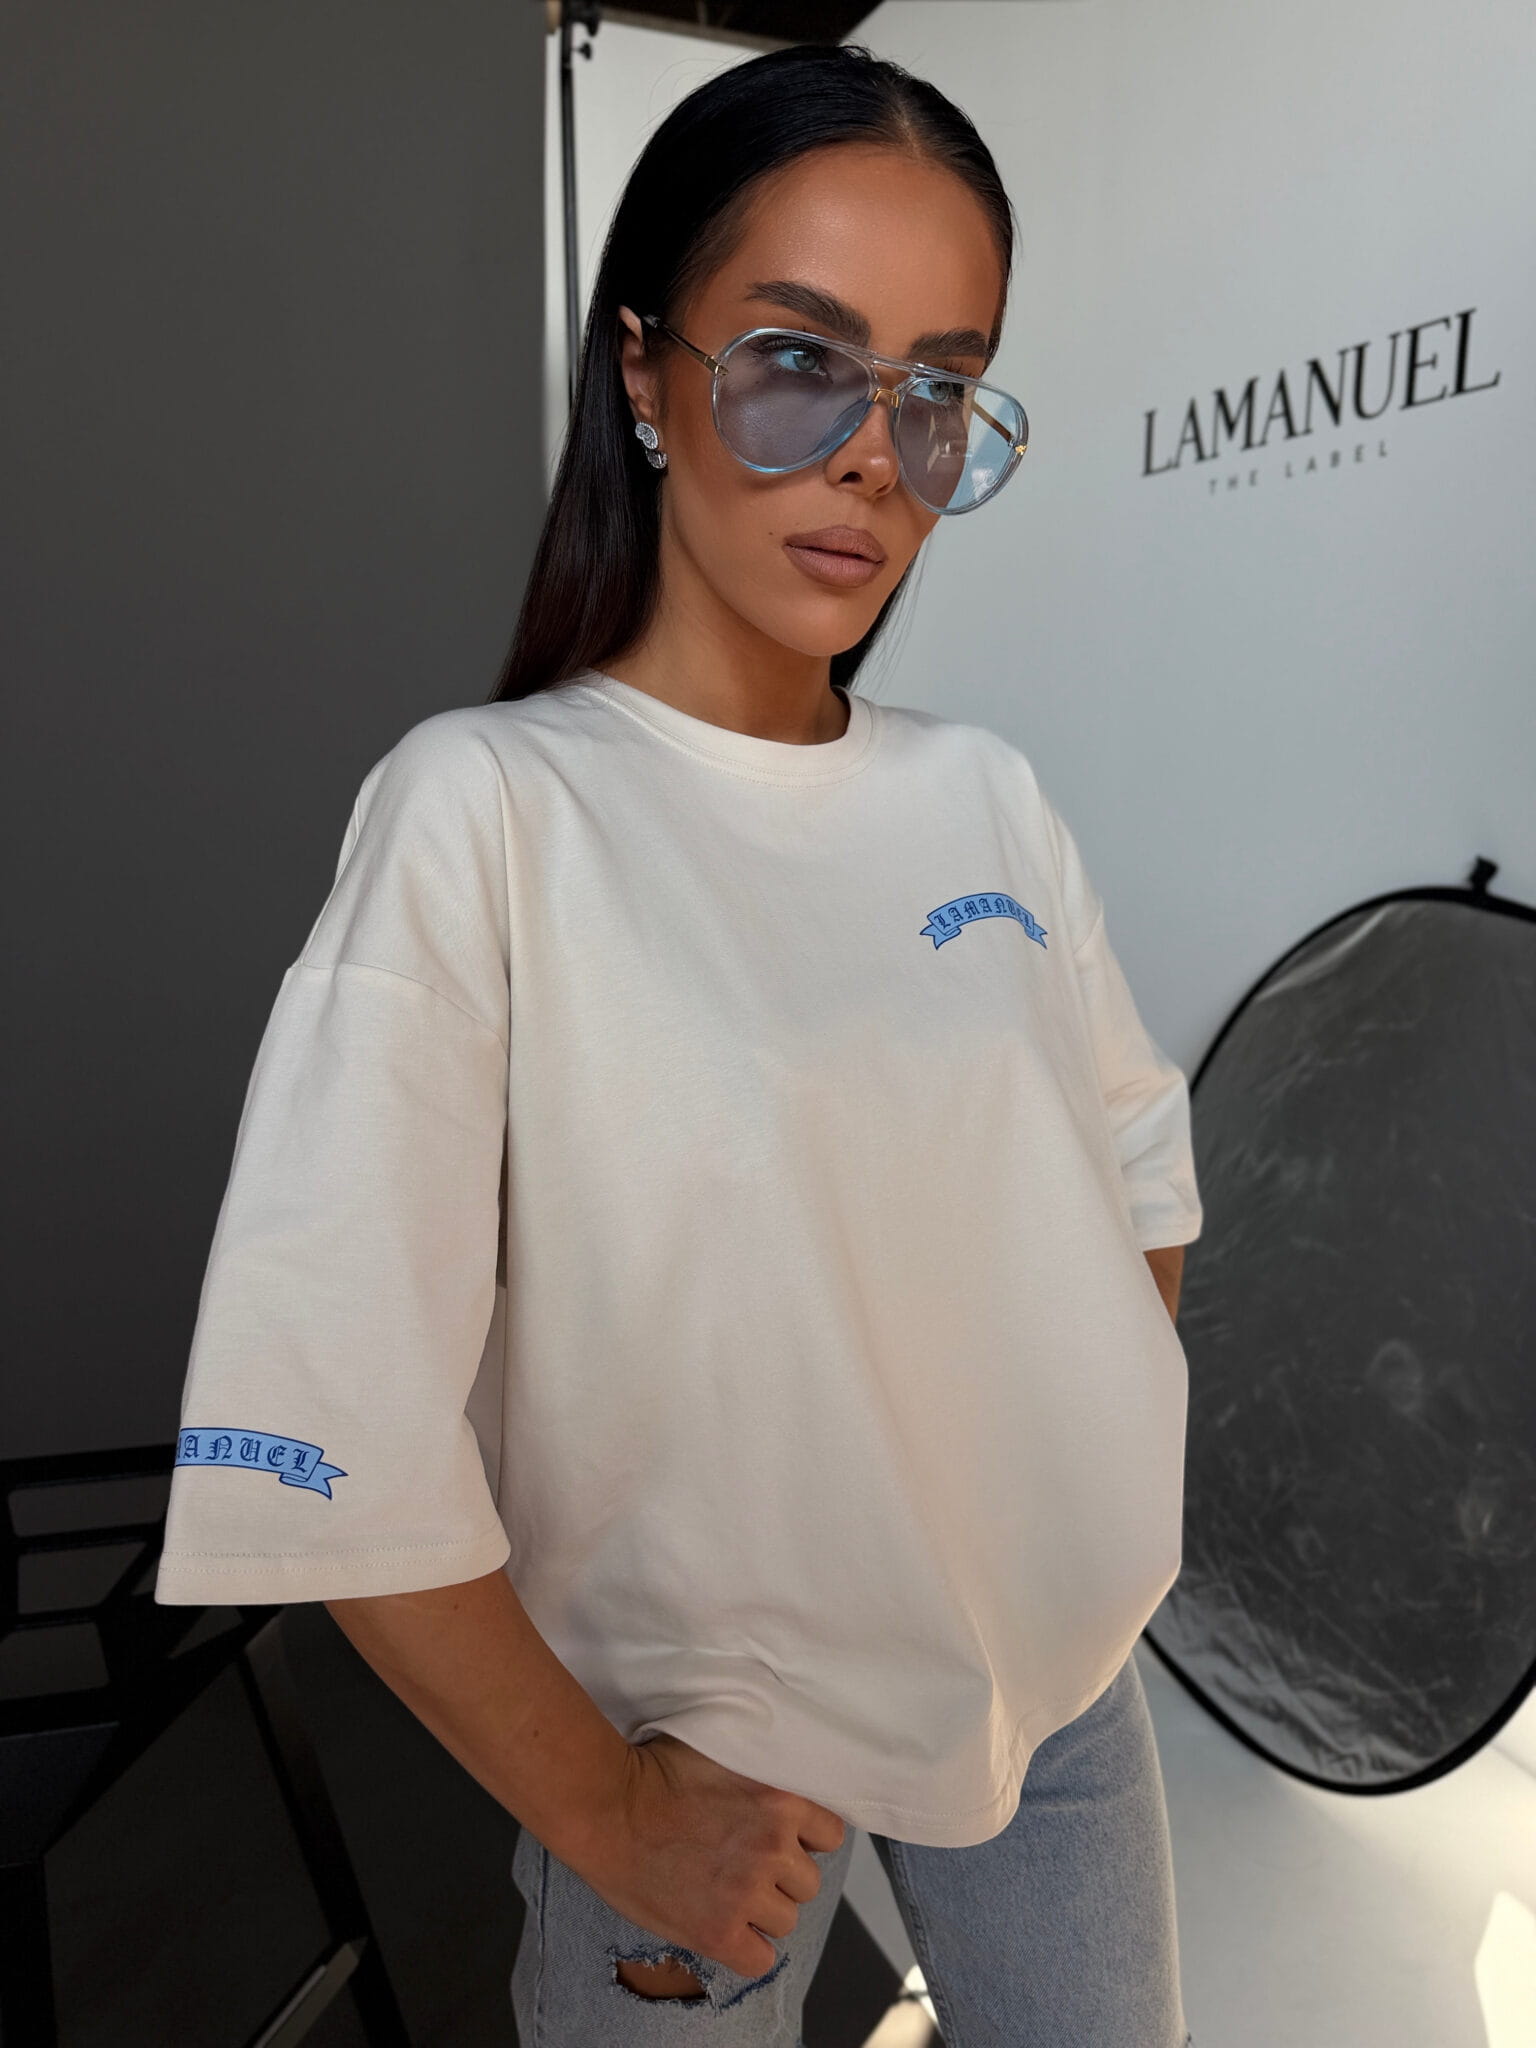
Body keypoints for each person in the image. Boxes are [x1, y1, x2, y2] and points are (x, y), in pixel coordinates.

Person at [154, 40, 1200, 2047]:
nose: (876, 455)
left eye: (941, 387)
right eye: (798, 361)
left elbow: (1137, 1176)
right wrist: (606, 1806)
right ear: (644, 371)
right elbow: (329, 1412)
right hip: (714, 1747)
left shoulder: (984, 799)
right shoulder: (486, 813)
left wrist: (1060, 1475)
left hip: (1055, 1694)